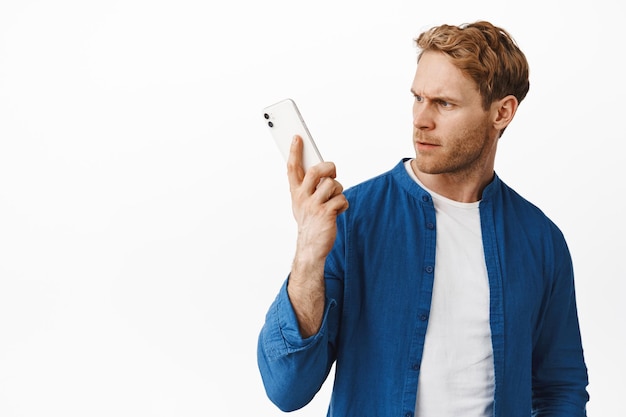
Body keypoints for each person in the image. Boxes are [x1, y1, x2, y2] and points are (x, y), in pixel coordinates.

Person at [257, 21, 589, 417]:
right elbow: (286, 388)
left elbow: (560, 389)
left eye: (444, 103)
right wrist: (309, 253)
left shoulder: (540, 240)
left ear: (502, 112)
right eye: (417, 98)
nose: (421, 120)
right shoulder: (351, 218)